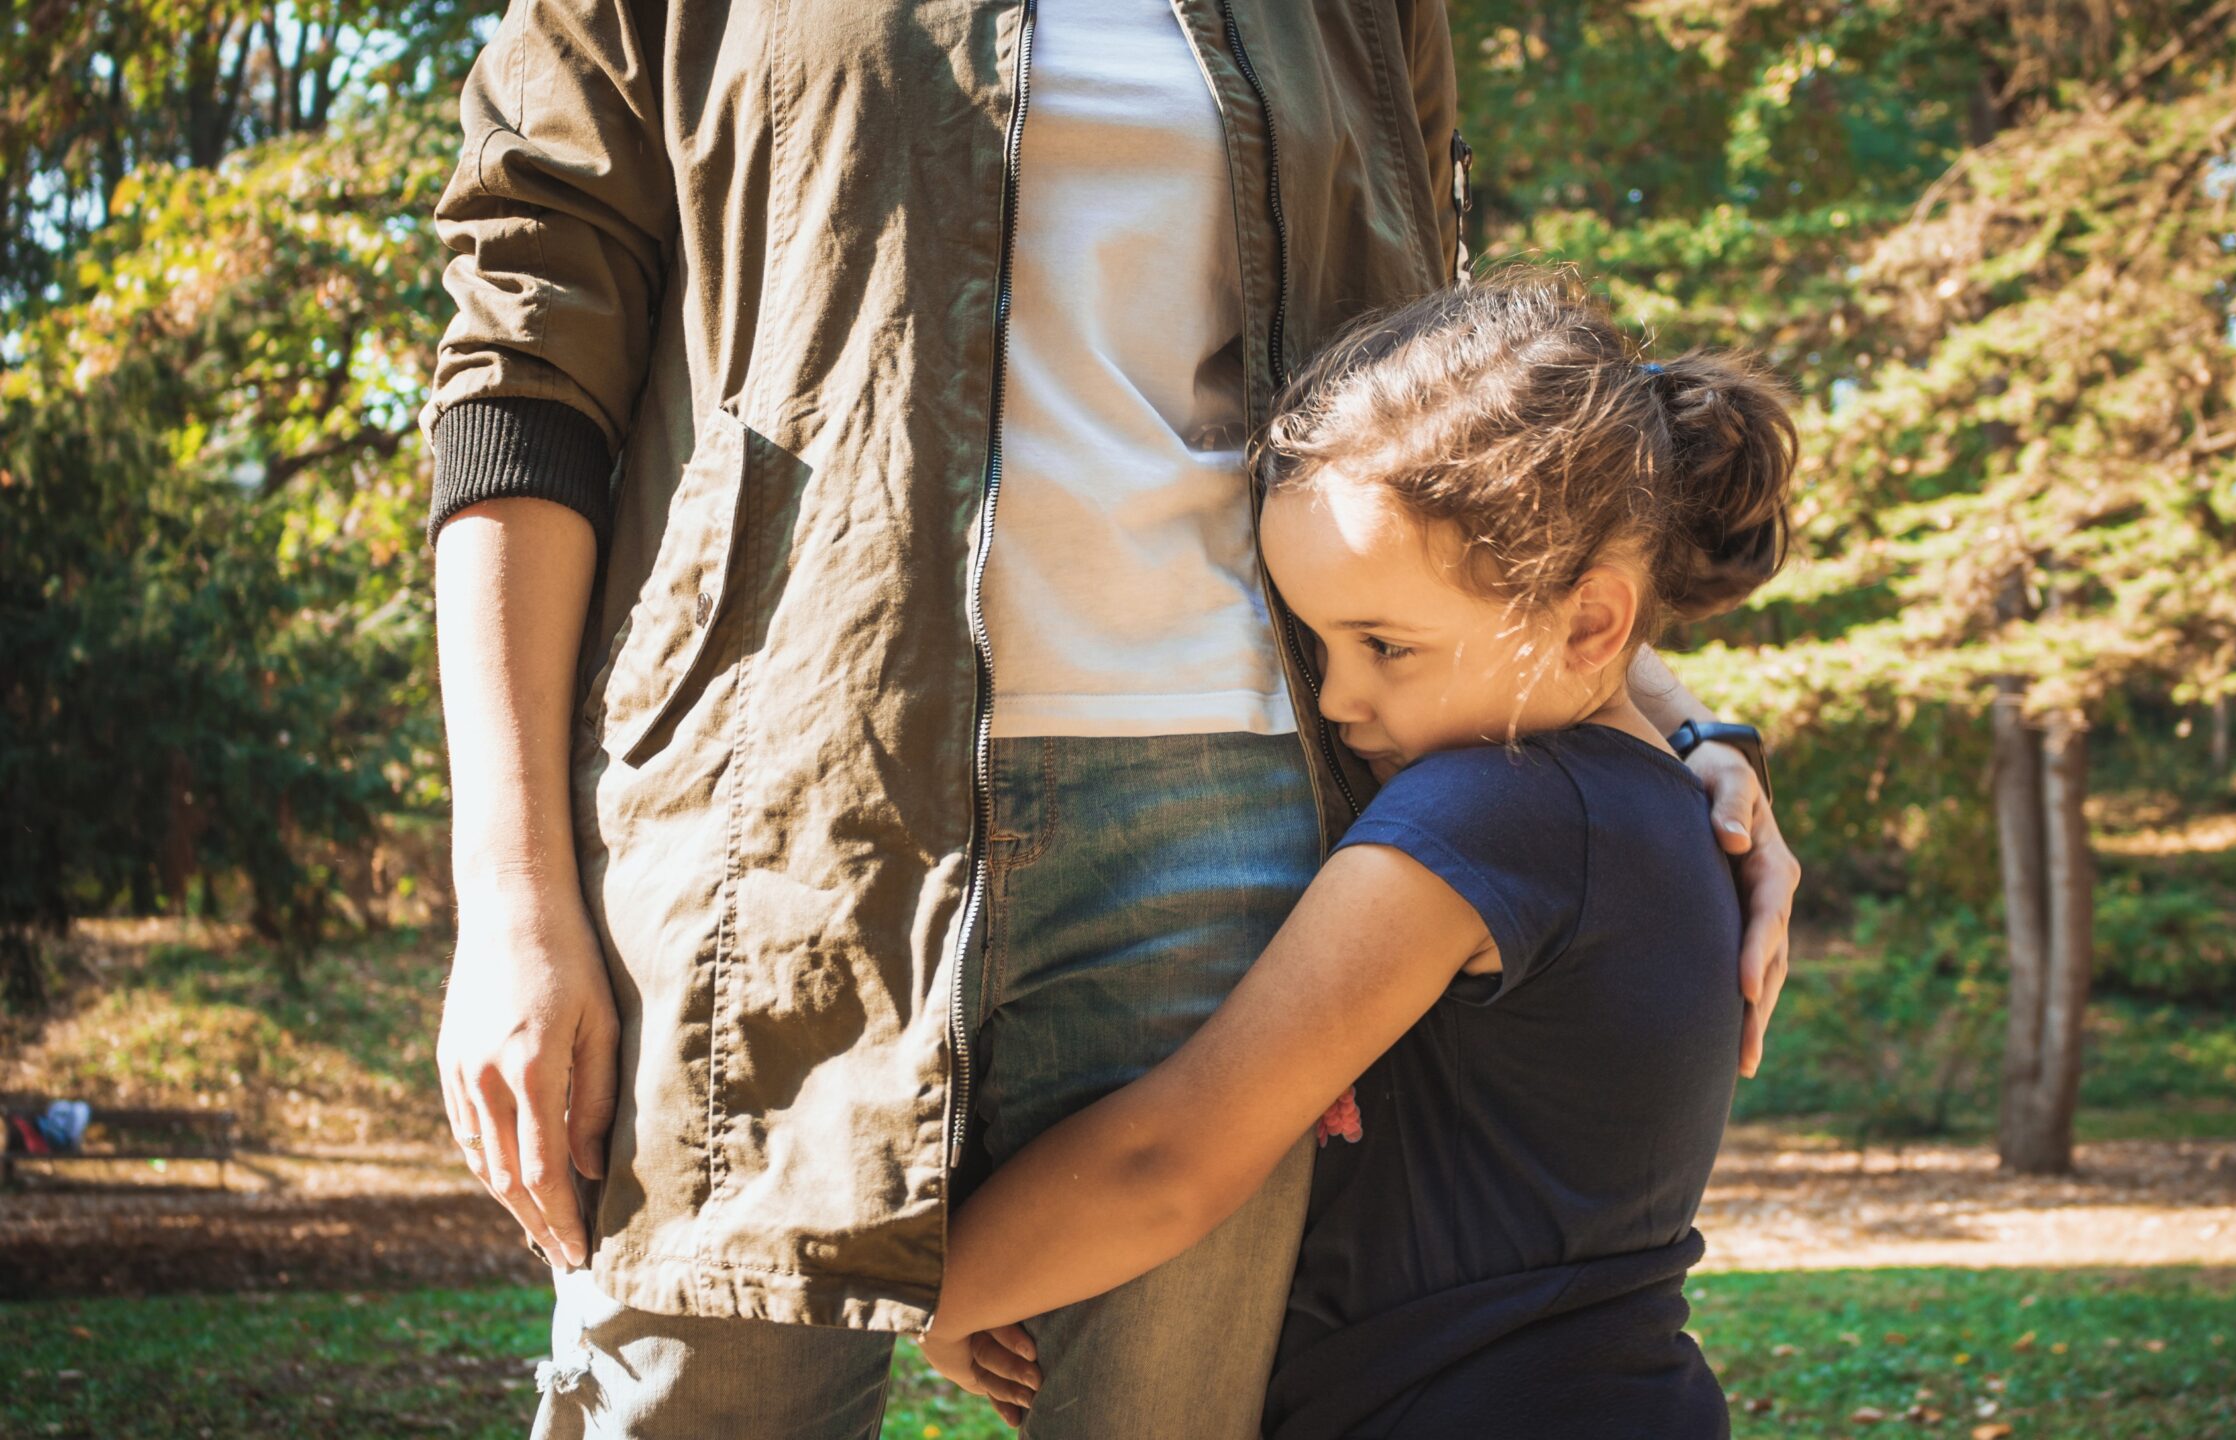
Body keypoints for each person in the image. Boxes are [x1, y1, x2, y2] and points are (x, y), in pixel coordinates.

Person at [422, 3, 1802, 1437]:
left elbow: (1457, 444)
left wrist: (1668, 733)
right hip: (774, 824)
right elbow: (525, 363)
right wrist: (511, 895)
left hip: (1237, 832)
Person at [920, 267, 1792, 1438]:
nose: (1338, 700)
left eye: (1386, 644)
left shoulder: (1495, 813)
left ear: (1591, 625)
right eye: (1318, 642)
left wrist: (934, 1292)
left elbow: (1168, 1162)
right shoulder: (1648, 811)